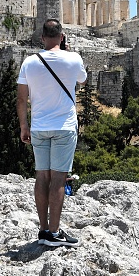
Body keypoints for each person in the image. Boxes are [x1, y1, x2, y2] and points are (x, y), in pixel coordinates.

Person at [16, 18, 87, 247]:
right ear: (62, 36)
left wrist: (23, 126)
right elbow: (82, 81)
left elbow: (21, 98)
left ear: (42, 38)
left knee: (41, 177)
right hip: (64, 127)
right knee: (58, 178)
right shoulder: (74, 59)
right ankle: (55, 233)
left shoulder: (29, 62)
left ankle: (43, 229)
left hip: (39, 127)